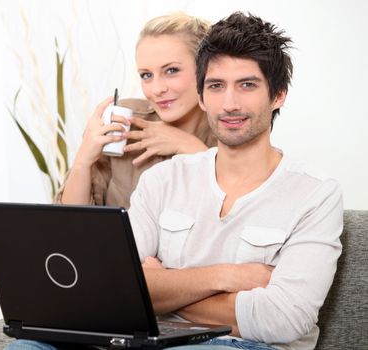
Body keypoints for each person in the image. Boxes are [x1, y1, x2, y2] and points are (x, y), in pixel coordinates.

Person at [129, 11, 343, 350]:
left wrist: (163, 290)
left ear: (278, 95)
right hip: (156, 341)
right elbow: (116, 288)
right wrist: (225, 277)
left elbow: (283, 319)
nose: (229, 104)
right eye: (216, 86)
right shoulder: (162, 180)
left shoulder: (315, 194)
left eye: (247, 85)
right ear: (201, 96)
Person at [57, 12, 216, 209]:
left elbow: (236, 215)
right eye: (146, 75)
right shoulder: (124, 123)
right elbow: (72, 223)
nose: (157, 89)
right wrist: (83, 161)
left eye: (171, 70)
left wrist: (190, 147)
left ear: (205, 68)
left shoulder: (229, 130)